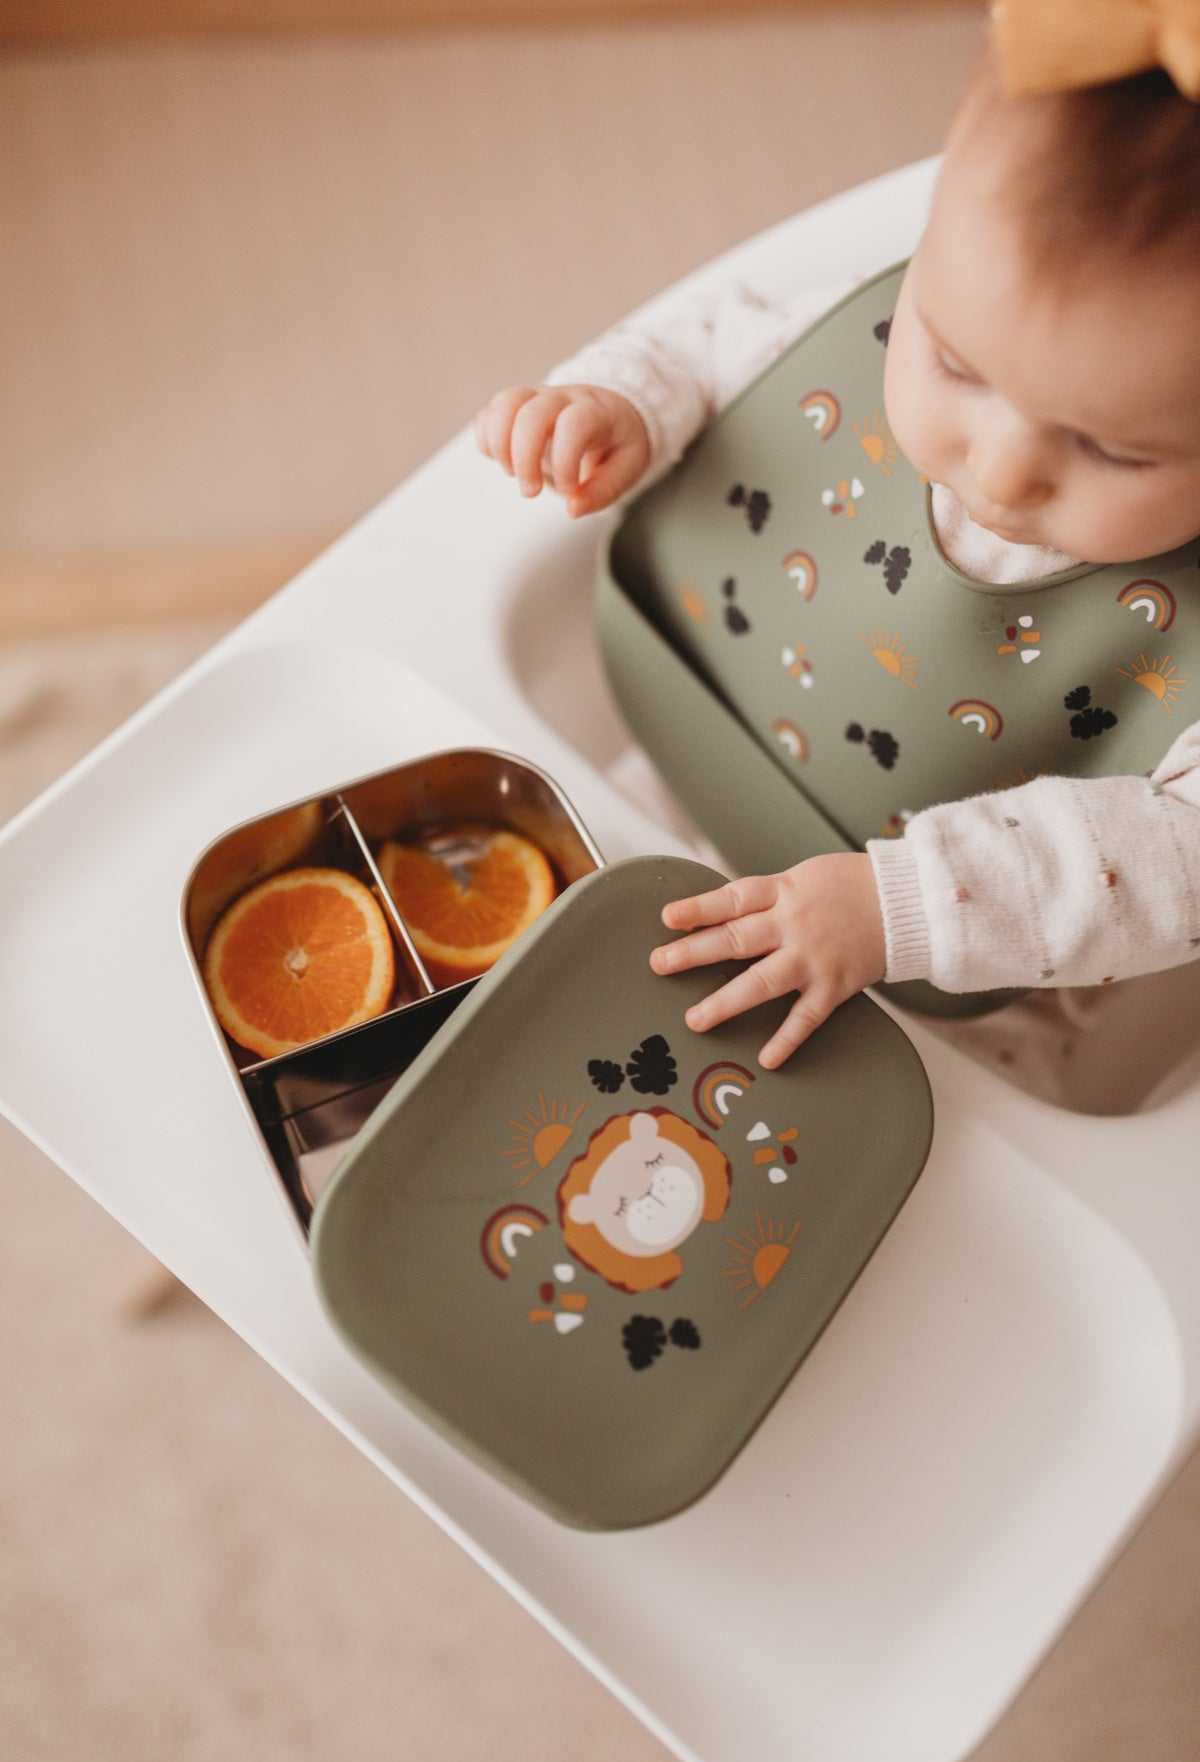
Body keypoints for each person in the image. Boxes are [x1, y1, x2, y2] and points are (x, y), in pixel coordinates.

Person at [473, 28, 1200, 1082]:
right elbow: (724, 344)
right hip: (685, 762)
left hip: (952, 987)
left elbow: (1181, 861)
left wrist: (901, 907)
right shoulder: (896, 301)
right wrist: (621, 401)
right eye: (954, 363)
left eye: (1112, 450)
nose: (998, 472)